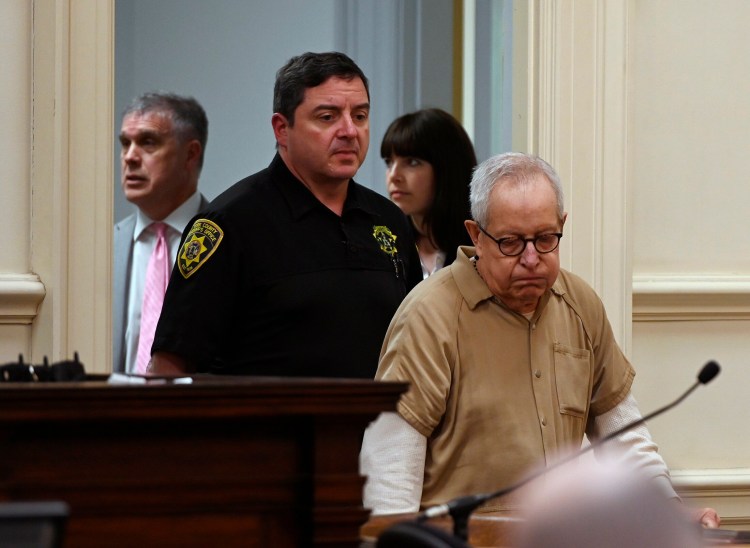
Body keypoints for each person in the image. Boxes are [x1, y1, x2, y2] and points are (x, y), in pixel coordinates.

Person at [360, 152, 719, 527]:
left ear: (562, 225)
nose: (531, 258)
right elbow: (391, 463)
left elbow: (625, 437)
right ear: (476, 235)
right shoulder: (429, 316)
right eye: (512, 242)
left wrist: (668, 509)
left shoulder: (580, 304)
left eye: (546, 238)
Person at [147, 51, 422, 378]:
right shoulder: (229, 224)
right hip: (264, 426)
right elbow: (170, 366)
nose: (350, 131)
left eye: (360, 116)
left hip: (379, 427)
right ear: (282, 129)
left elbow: (414, 344)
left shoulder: (388, 221)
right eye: (327, 117)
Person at [113, 92, 210, 374]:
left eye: (148, 142)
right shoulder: (102, 248)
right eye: (125, 143)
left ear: (190, 154)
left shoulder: (227, 240)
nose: (130, 157)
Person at [381, 108, 476, 278]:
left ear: (447, 169)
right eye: (389, 162)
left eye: (412, 162)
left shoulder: (481, 247)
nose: (394, 176)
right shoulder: (384, 246)